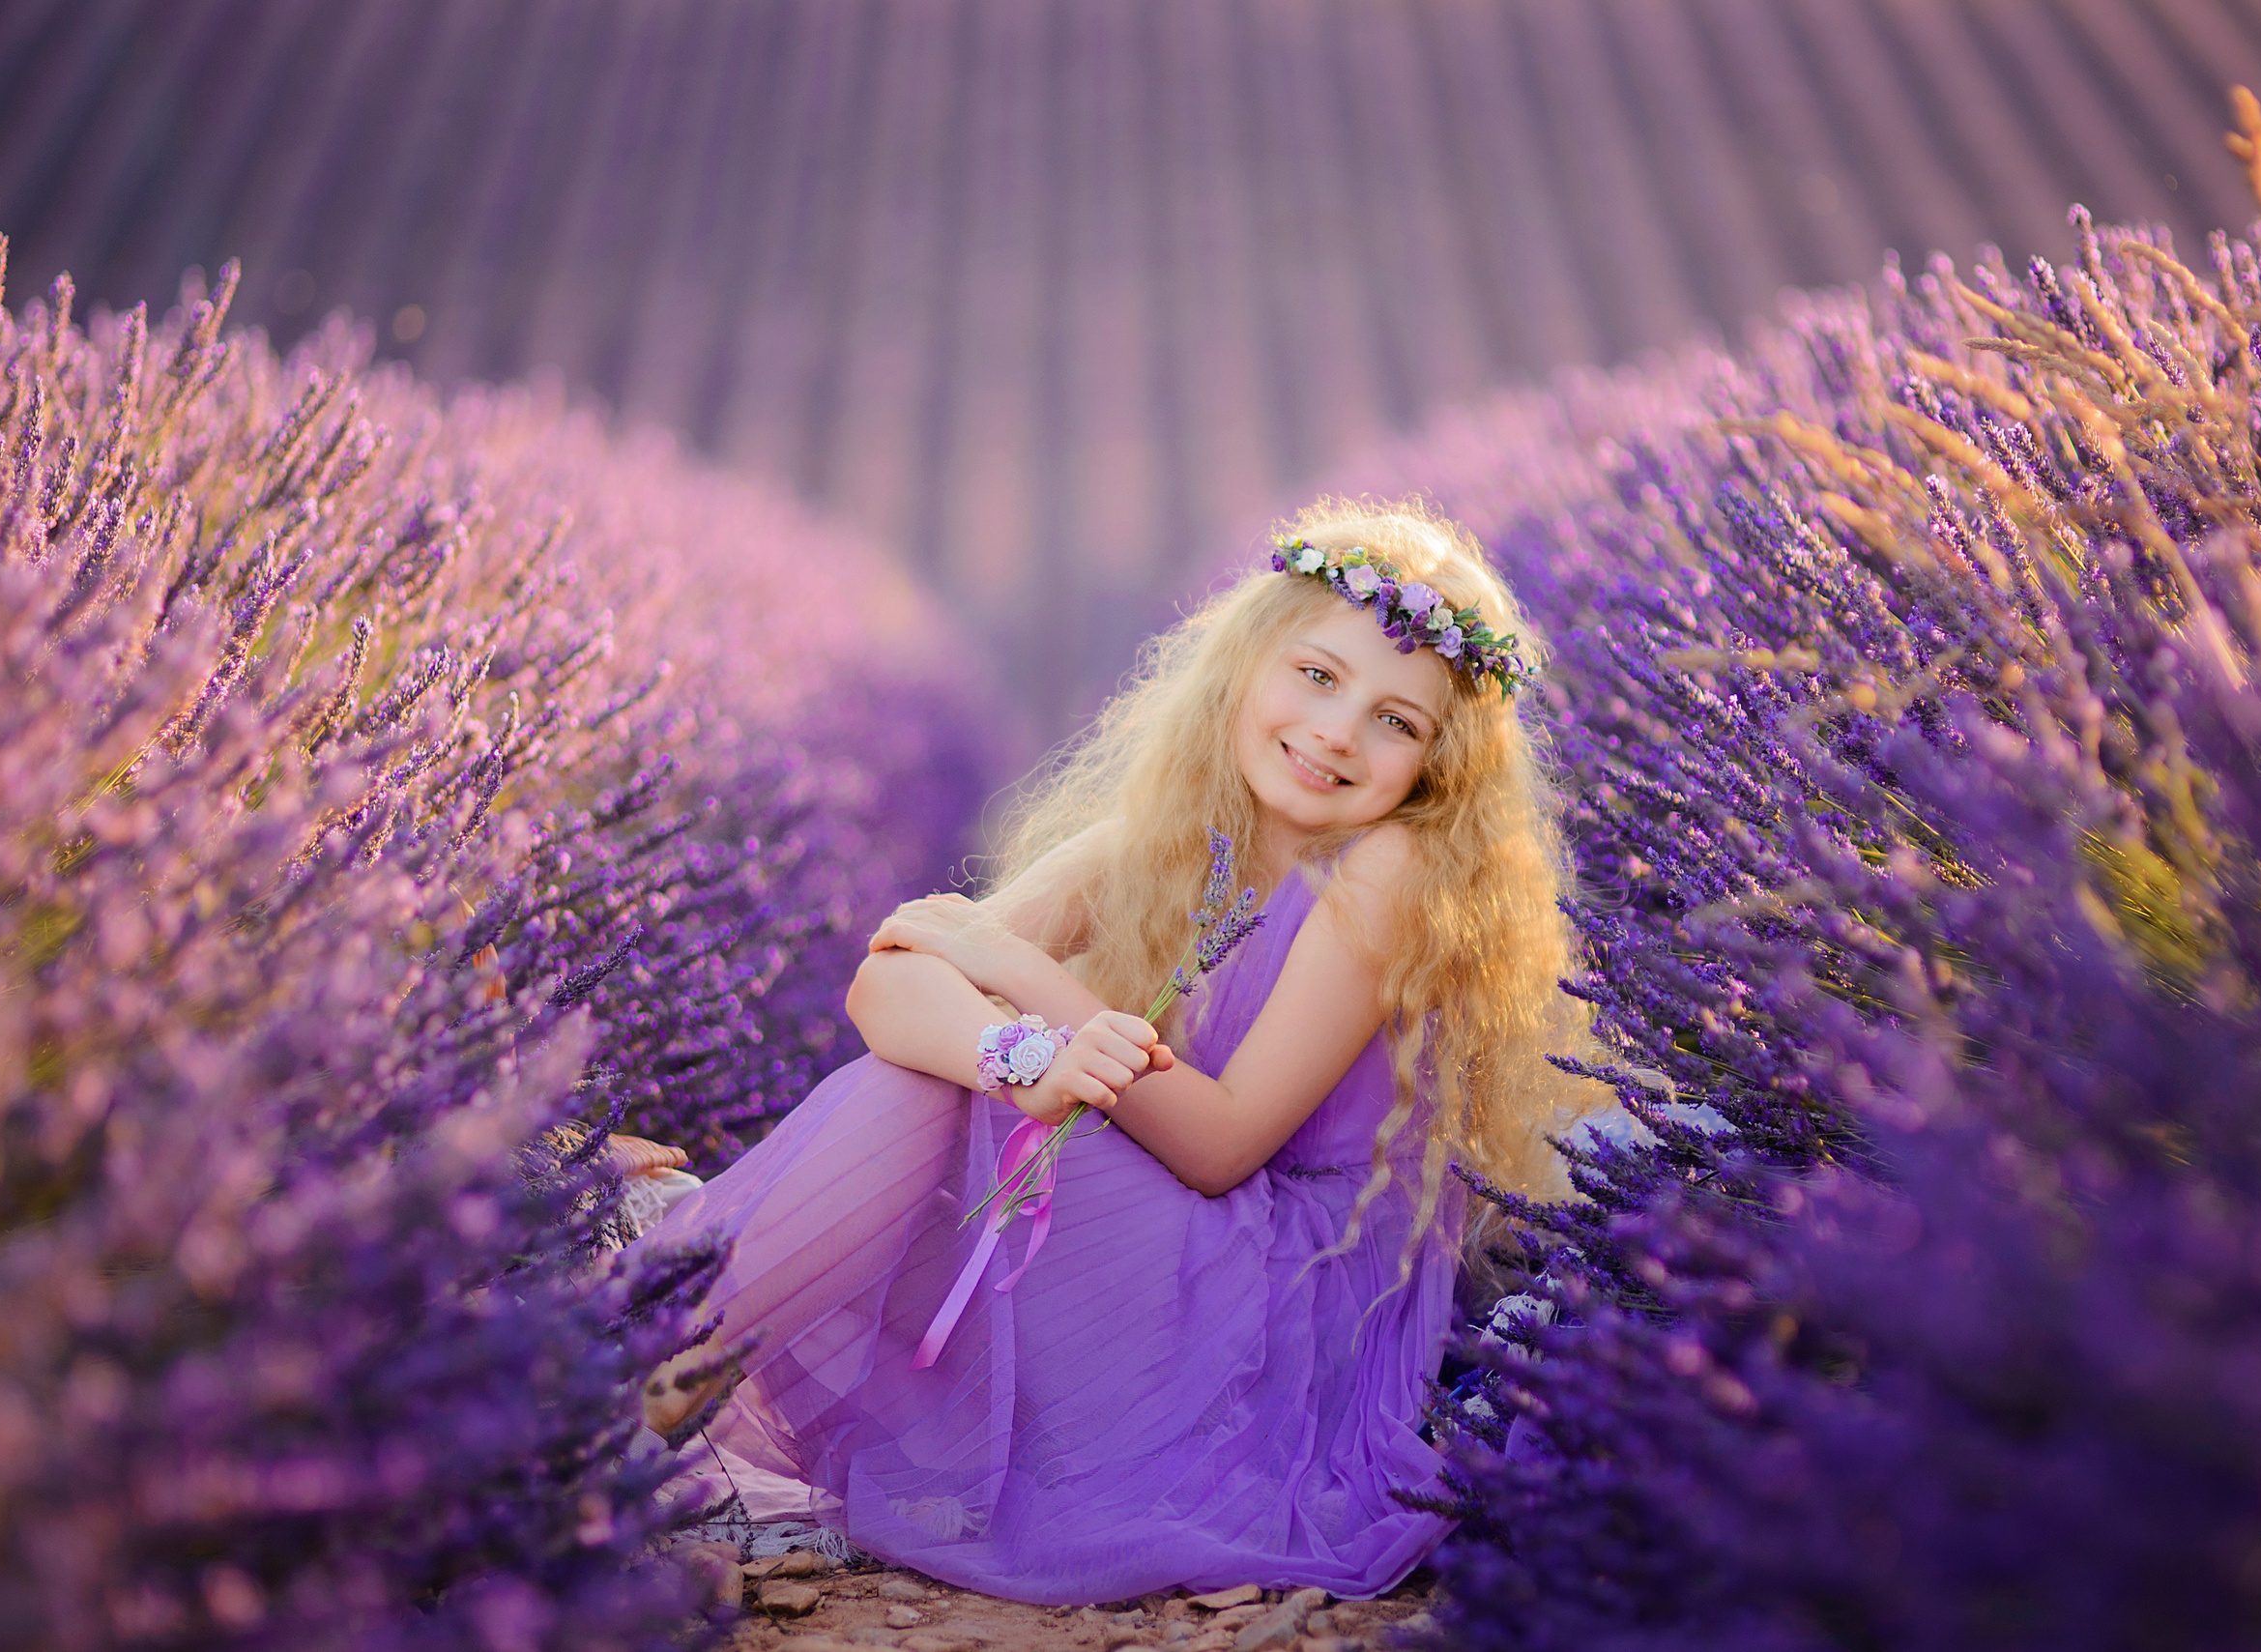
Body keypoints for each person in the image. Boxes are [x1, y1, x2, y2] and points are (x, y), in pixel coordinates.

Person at [636, 498, 1580, 1606]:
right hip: (1184, 1262)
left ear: (1435, 767)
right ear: (1244, 666)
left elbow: (1225, 1147)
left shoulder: (1389, 872)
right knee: (933, 1076)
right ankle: (646, 1370)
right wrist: (1016, 1054)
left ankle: (634, 1371)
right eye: (1317, 676)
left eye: (1395, 721)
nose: (1336, 731)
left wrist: (1025, 983)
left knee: (951, 1088)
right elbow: (883, 981)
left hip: (1285, 1309)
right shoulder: (1160, 842)